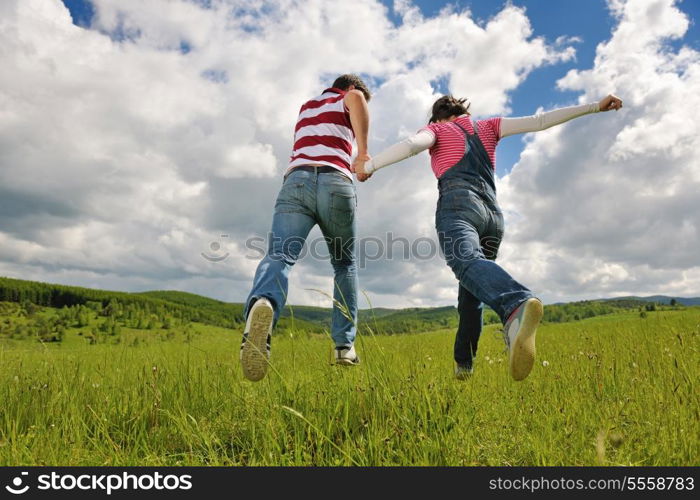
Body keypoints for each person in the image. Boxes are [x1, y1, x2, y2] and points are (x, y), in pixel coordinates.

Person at [353, 94, 623, 381]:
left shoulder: (436, 130)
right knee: (471, 296)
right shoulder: (489, 127)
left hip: (459, 206)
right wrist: (595, 106)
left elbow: (411, 146)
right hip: (493, 218)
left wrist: (368, 166)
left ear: (438, 117)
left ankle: (515, 304)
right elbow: (540, 121)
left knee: (465, 261)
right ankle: (463, 367)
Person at [240, 74, 372, 382]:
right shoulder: (349, 98)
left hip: (295, 182)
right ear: (350, 87)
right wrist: (362, 152)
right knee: (344, 265)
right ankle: (343, 346)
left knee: (279, 256)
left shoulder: (307, 107)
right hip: (335, 182)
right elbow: (356, 100)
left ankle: (263, 302)